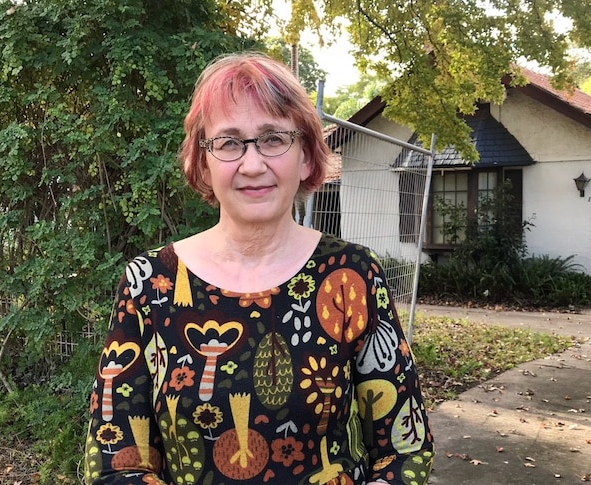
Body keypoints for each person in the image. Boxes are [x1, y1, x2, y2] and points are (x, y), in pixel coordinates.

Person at [83, 51, 434, 485]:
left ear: (306, 156)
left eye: (273, 139)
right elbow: (115, 459)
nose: (253, 164)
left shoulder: (353, 276)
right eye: (230, 142)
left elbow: (406, 450)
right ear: (204, 163)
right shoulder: (149, 284)